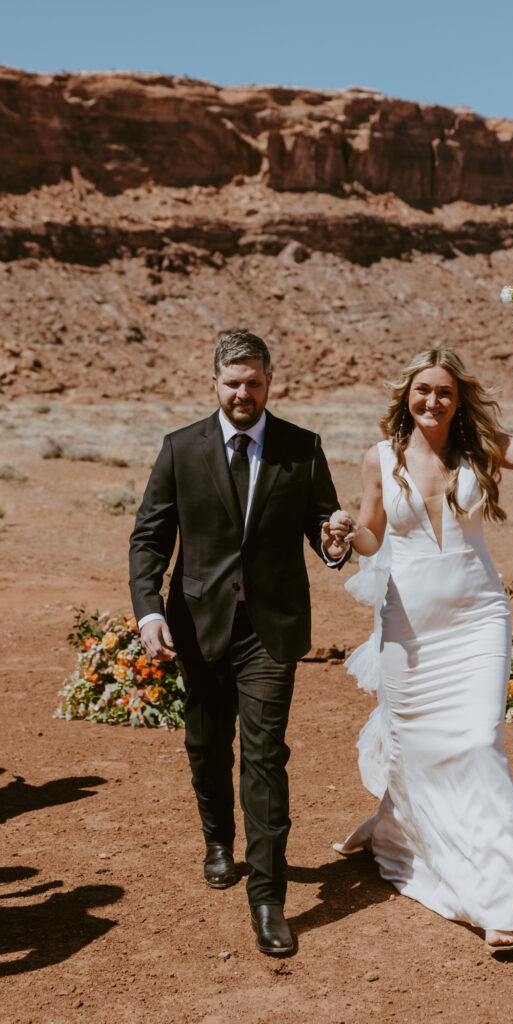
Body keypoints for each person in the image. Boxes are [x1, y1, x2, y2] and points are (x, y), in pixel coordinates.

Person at [328, 348, 513, 954]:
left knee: (478, 742)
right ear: (407, 395)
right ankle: (402, 835)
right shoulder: (380, 459)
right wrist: (345, 531)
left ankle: (498, 904)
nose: (433, 401)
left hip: (478, 620)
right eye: (423, 390)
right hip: (408, 629)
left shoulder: (482, 447)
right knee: (419, 750)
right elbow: (373, 537)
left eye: (444, 392)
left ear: (458, 398)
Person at [129, 330, 349, 956]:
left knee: (264, 756)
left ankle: (269, 899)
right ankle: (218, 839)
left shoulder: (301, 448)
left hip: (270, 631)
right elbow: (148, 541)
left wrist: (333, 543)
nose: (243, 393)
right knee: (206, 745)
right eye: (232, 383)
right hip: (196, 628)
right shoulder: (180, 449)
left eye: (254, 381)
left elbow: (321, 527)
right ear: (215, 383)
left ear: (269, 381)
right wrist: (149, 613)